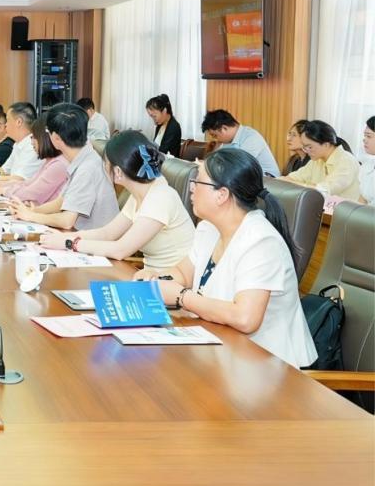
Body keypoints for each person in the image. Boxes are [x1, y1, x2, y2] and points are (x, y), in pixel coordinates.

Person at [134, 149, 318, 368]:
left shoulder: (261, 241)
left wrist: (182, 297)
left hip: (270, 365)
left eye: (198, 181)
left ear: (221, 194)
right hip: (223, 350)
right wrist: (156, 278)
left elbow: (245, 318)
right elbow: (183, 273)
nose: (191, 187)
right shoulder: (209, 228)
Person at [39, 131, 194, 270]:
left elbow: (120, 250)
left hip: (170, 283)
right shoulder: (141, 192)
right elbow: (107, 233)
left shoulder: (159, 198)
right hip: (148, 276)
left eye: (105, 163)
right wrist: (66, 238)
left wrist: (69, 243)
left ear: (118, 172)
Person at [7, 102, 119, 230]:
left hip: (93, 239)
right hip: (81, 234)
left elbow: (67, 221)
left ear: (55, 138)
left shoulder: (87, 168)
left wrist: (32, 216)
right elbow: (61, 201)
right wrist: (32, 211)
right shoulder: (82, 158)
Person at [282, 120, 360, 200]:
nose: (307, 151)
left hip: (342, 207)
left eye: (310, 147)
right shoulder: (316, 160)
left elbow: (324, 190)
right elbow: (293, 177)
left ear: (326, 144)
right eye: (304, 147)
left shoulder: (346, 161)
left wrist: (294, 183)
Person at [0, 102, 41, 189]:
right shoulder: (17, 144)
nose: (5, 125)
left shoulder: (32, 146)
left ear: (19, 122)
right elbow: (4, 171)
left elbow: (19, 179)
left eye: (8, 120)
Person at [0, 123, 69, 205]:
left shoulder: (58, 165)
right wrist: (2, 188)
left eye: (34, 137)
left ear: (45, 138)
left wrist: (4, 191)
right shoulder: (50, 161)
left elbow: (32, 195)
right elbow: (28, 183)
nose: (32, 142)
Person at [201, 109, 280, 177]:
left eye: (215, 135)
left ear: (224, 128)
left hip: (268, 180)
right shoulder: (226, 142)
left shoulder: (251, 137)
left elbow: (238, 166)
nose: (215, 139)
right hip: (246, 178)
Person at [360, 116, 375, 204]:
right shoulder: (367, 166)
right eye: (365, 136)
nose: (364, 140)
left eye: (369, 136)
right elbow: (362, 200)